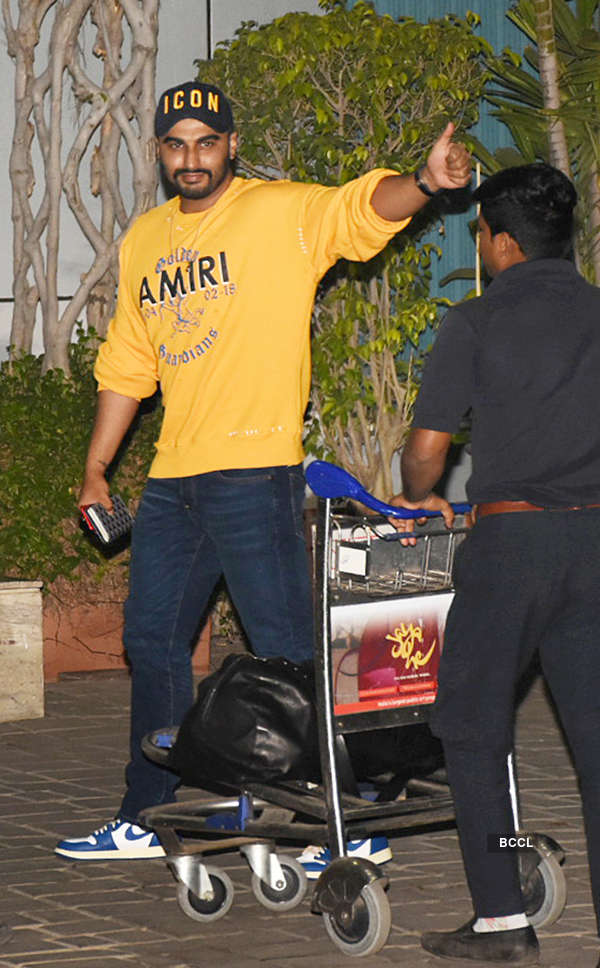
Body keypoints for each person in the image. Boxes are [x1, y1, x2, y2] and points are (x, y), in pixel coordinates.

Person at [54, 80, 471, 863]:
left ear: (231, 146)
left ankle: (350, 818)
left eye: (206, 143)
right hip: (175, 479)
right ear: (159, 152)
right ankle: (154, 813)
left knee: (286, 649)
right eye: (176, 145)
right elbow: (128, 363)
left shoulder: (278, 211)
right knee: (151, 642)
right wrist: (96, 468)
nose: (191, 159)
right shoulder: (144, 238)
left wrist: (421, 182)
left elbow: (358, 210)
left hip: (255, 472)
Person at [389, 162, 600, 965]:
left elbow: (428, 451)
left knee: (474, 727)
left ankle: (503, 921)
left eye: (478, 232)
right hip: (598, 543)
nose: (478, 246)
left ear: (502, 241)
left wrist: (419, 495)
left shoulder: (473, 322)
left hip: (514, 548)